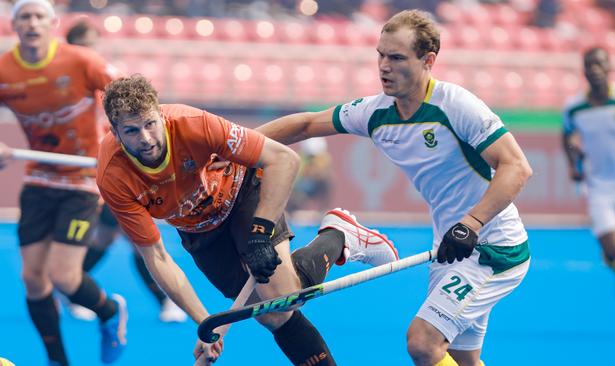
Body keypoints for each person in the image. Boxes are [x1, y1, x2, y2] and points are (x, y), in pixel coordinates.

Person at [257, 9, 533, 366]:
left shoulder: (456, 106)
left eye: (397, 57)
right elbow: (307, 124)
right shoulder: (376, 112)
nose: (384, 66)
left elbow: (516, 167)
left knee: (423, 343)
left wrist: (472, 223)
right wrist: (233, 145)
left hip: (493, 248)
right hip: (450, 248)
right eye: (381, 55)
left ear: (428, 60)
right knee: (460, 359)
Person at [96, 74, 399, 365]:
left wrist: (258, 234)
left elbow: (284, 159)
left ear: (160, 115)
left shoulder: (192, 124)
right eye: (132, 131)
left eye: (150, 124)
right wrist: (205, 324)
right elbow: (157, 256)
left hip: (241, 193)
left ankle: (339, 234)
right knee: (271, 314)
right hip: (199, 232)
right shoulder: (113, 176)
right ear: (115, 130)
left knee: (284, 298)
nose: (146, 139)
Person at [0, 1, 127, 365]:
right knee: (33, 279)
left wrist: (122, 137)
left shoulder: (81, 61)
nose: (33, 23)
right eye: (25, 16)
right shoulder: (5, 69)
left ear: (53, 23)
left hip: (82, 178)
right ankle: (58, 359)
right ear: (15, 25)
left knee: (64, 277)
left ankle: (108, 312)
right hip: (39, 177)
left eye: (40, 16)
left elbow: (128, 96)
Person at [64, 18, 187, 323]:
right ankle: (74, 287)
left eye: (92, 46)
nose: (89, 53)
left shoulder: (108, 84)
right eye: (83, 47)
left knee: (115, 237)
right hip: (88, 176)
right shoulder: (66, 89)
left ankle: (72, 287)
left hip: (115, 173)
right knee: (118, 238)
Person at [562, 47, 615, 322]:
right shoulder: (575, 107)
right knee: (611, 250)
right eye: (590, 65)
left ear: (610, 67)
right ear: (584, 71)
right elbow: (566, 136)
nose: (595, 70)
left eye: (600, 64)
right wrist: (573, 164)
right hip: (600, 185)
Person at [287, 137, 333, 214]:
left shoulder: (324, 158)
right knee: (293, 195)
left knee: (328, 181)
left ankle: (322, 211)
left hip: (315, 188)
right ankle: (292, 213)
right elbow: (297, 177)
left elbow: (323, 174)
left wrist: (316, 173)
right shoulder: (300, 157)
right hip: (300, 189)